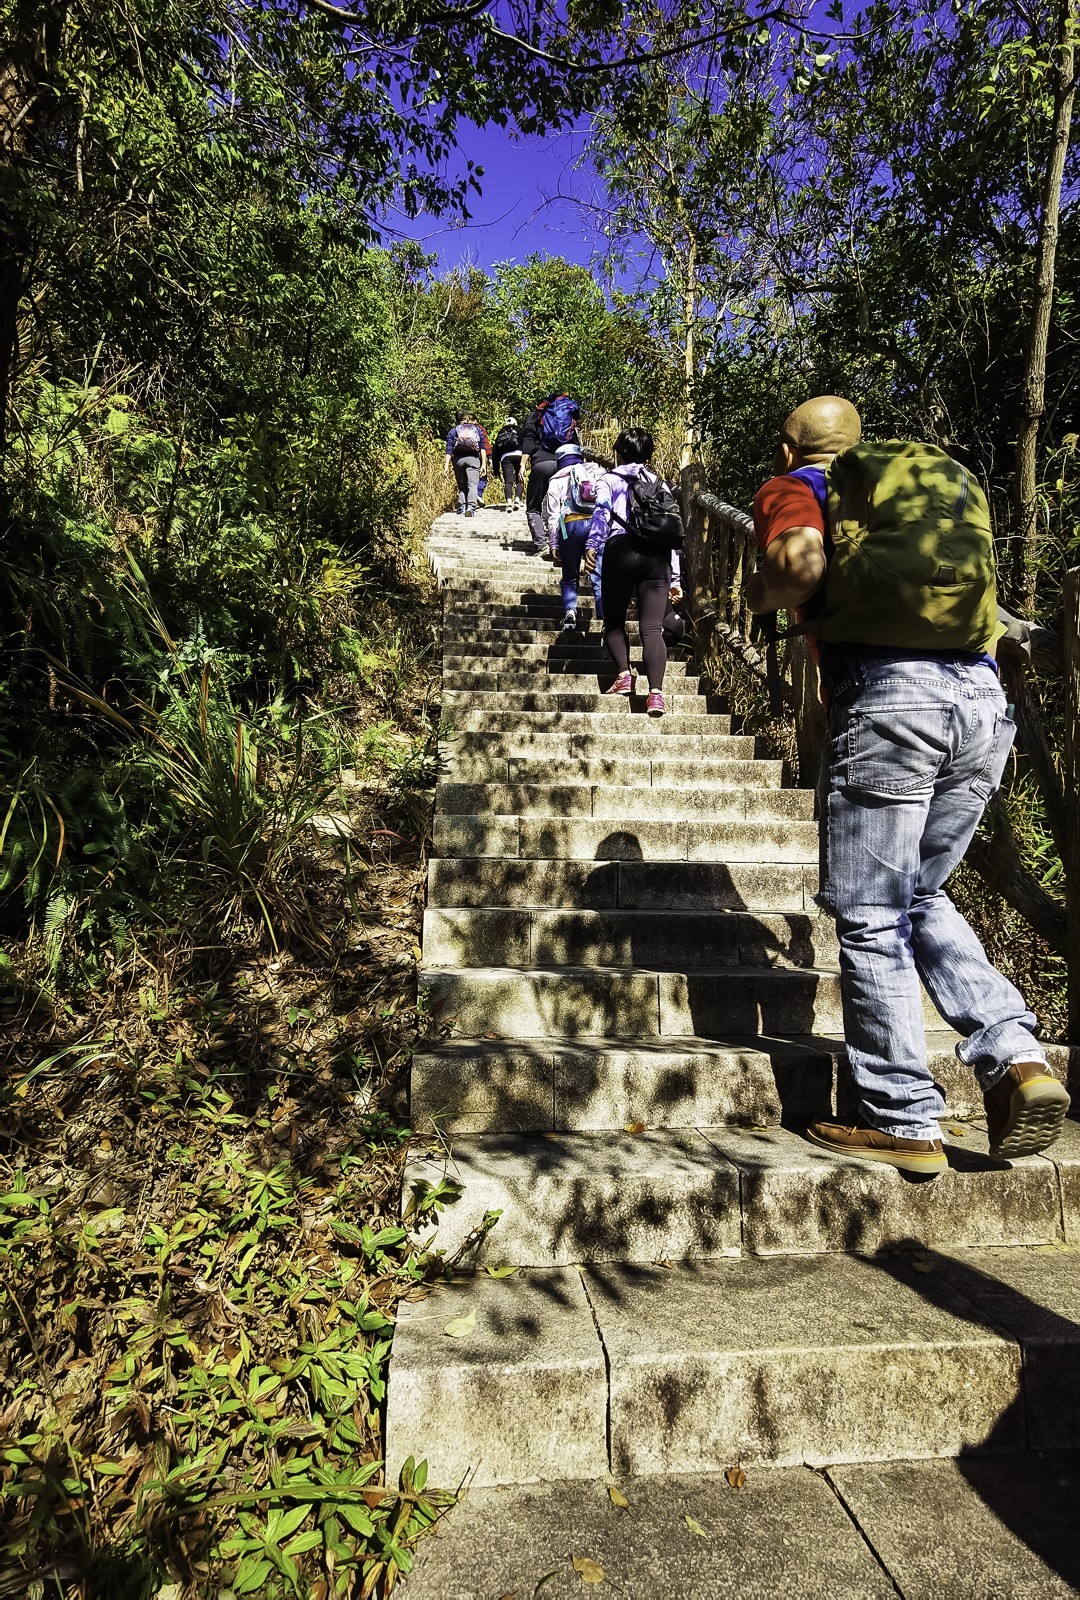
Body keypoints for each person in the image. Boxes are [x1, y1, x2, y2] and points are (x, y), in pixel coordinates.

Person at [746, 394, 1070, 1177]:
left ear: (792, 449)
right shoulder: (922, 491)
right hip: (982, 705)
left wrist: (759, 599)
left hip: (894, 703)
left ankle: (904, 1117)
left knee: (868, 914)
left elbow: (799, 566)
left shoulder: (800, 488)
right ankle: (1018, 1056)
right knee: (918, 894)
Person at [584, 426, 685, 717]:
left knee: (614, 620)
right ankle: (655, 695)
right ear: (648, 454)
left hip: (620, 552)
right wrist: (675, 577)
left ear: (618, 452)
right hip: (656, 556)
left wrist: (592, 545)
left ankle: (624, 676)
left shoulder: (608, 480)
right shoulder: (659, 483)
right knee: (652, 628)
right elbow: (672, 531)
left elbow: (602, 512)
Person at [542, 442, 604, 629]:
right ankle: (605, 618)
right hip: (595, 525)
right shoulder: (595, 472)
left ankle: (570, 613)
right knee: (599, 574)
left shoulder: (556, 479)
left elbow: (553, 516)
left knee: (569, 575)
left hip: (570, 526)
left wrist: (554, 544)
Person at [521, 392, 580, 553]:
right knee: (565, 505)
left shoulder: (538, 414)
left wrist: (522, 464)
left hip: (541, 463)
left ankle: (541, 544)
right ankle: (564, 543)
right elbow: (576, 444)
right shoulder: (568, 419)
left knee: (534, 507)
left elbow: (529, 439)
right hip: (566, 464)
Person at [443, 411, 489, 517]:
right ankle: (471, 507)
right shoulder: (476, 429)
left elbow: (449, 450)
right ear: (467, 419)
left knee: (462, 486)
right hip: (473, 459)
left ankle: (462, 505)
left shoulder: (453, 431)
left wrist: (446, 466)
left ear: (457, 420)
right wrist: (483, 464)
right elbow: (483, 448)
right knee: (472, 485)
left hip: (458, 461)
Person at [491, 417, 525, 511]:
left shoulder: (501, 432)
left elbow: (495, 453)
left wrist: (496, 471)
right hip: (519, 455)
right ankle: (517, 500)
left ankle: (509, 503)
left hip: (505, 457)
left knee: (508, 481)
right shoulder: (520, 431)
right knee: (520, 479)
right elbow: (527, 444)